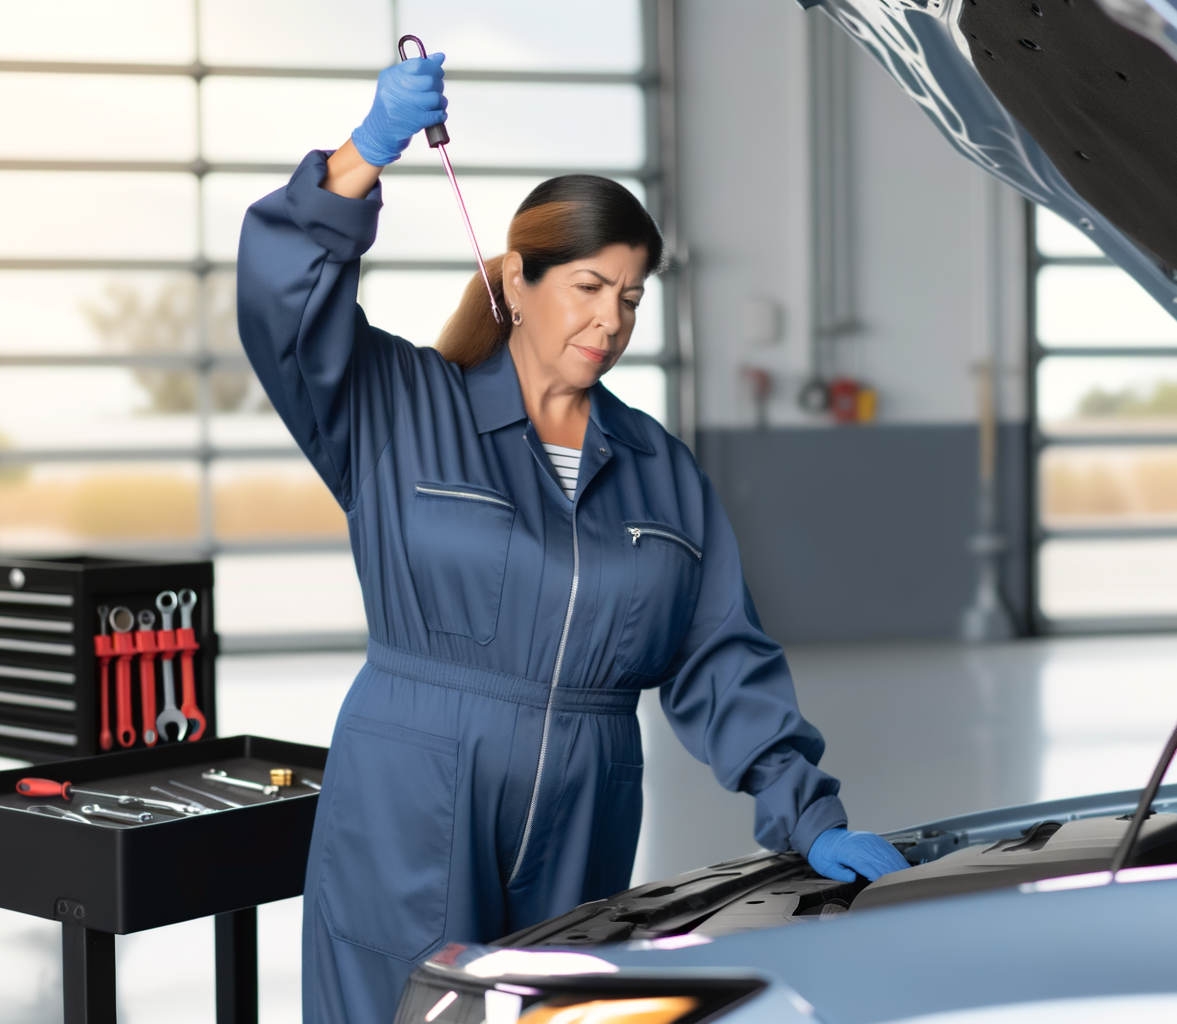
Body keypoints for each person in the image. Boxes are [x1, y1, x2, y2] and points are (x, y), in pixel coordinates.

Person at [236, 50, 909, 1024]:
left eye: (631, 297)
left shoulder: (658, 468)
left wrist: (805, 812)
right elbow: (279, 299)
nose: (611, 319)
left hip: (585, 808)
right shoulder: (396, 408)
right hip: (414, 790)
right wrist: (364, 152)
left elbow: (720, 657)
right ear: (518, 276)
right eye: (590, 286)